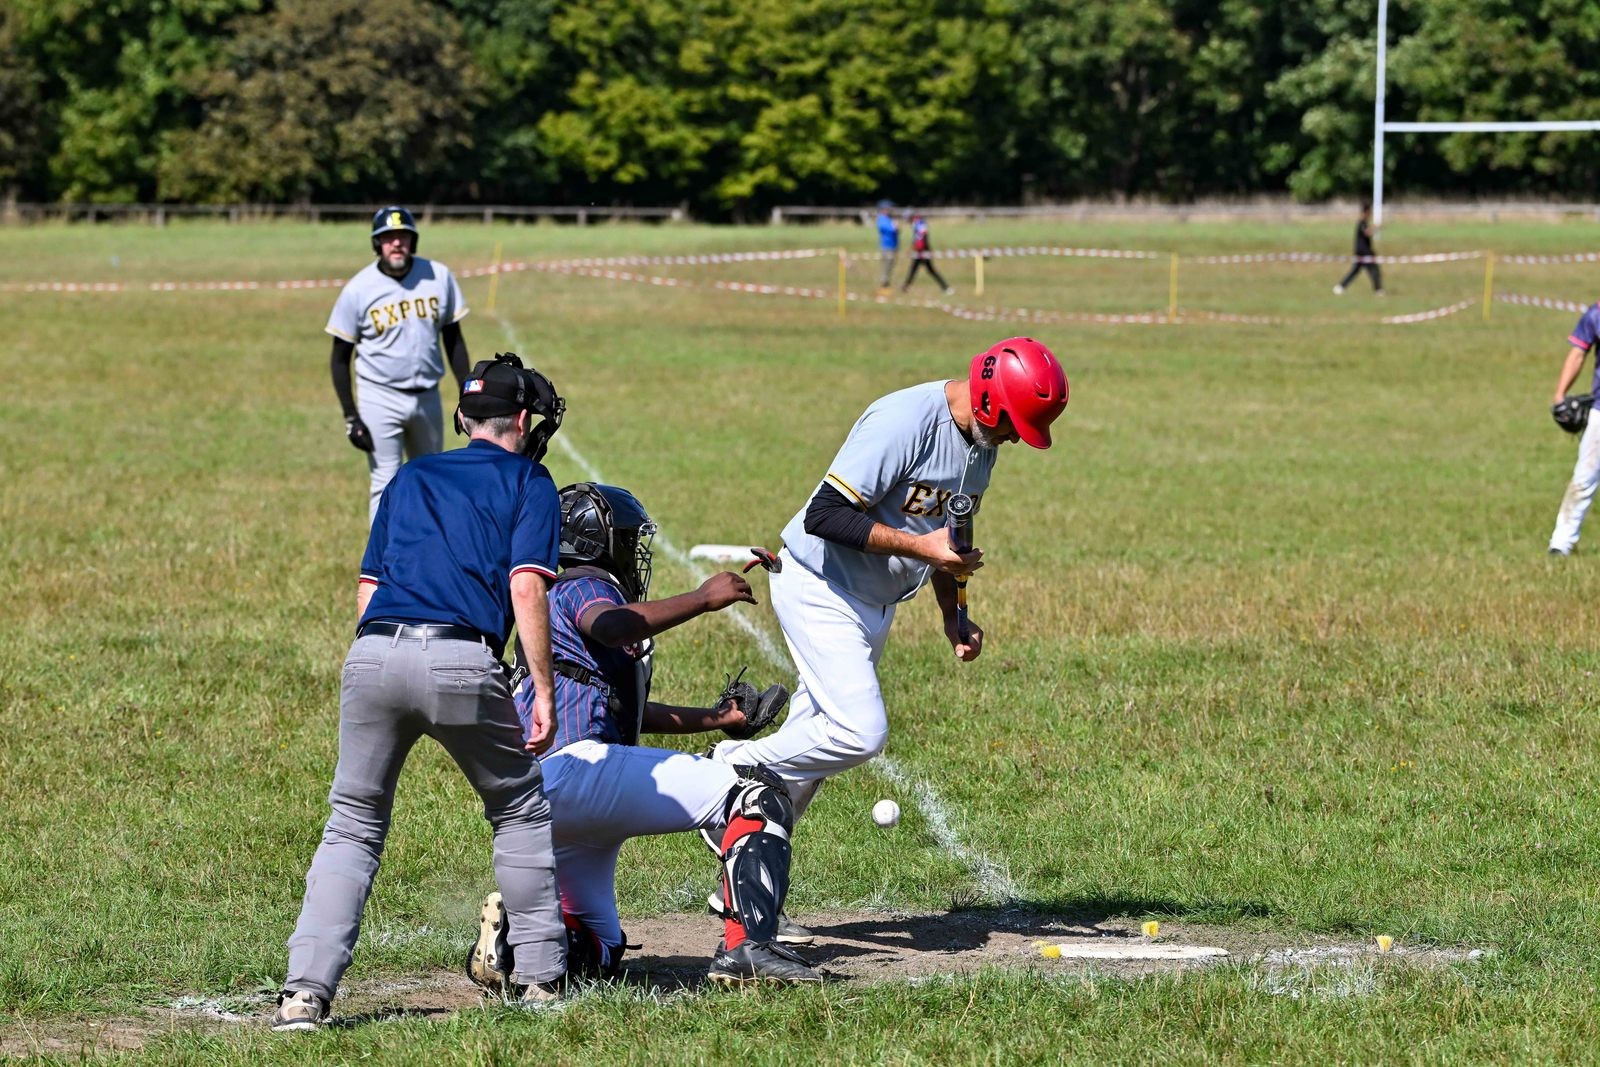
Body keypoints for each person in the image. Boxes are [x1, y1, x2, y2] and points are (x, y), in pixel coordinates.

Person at [708, 338, 1069, 908]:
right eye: (1012, 427)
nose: (1011, 441)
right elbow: (825, 515)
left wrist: (955, 614)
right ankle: (728, 768)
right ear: (989, 403)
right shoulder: (904, 421)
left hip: (874, 603)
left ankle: (746, 900)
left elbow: (949, 538)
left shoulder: (980, 445)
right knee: (859, 731)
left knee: (805, 768)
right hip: (820, 585)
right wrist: (918, 546)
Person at [272, 353, 570, 1031]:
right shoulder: (531, 479)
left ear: (464, 417)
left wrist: (381, 666)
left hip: (373, 652)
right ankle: (545, 981)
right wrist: (543, 690)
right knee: (519, 808)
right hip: (461, 656)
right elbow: (526, 586)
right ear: (522, 420)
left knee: (352, 824)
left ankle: (303, 995)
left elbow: (369, 587)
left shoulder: (412, 473)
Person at [464, 483, 820, 988]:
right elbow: (611, 626)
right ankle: (750, 949)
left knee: (600, 950)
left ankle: (513, 944)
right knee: (757, 796)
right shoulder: (586, 583)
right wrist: (701, 599)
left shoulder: (550, 603)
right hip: (581, 771)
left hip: (547, 792)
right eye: (628, 542)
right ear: (596, 543)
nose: (634, 554)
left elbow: (621, 712)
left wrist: (717, 721)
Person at [326, 206, 472, 523]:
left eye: (402, 237)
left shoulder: (438, 276)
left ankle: (429, 560)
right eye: (388, 238)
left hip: (427, 395)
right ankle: (381, 568)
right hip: (380, 396)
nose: (396, 244)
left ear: (412, 241)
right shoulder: (358, 289)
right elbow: (340, 358)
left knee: (432, 480)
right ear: (377, 244)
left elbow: (454, 341)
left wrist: (468, 393)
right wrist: (352, 416)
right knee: (386, 483)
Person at [1547, 306, 1600, 556]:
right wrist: (1560, 395)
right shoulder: (1596, 315)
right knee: (1584, 477)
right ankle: (1561, 543)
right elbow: (1578, 353)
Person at [1333, 203, 1384, 295]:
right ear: (1366, 212)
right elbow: (1367, 232)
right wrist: (1376, 227)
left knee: (1355, 271)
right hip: (1364, 252)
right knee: (1374, 270)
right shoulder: (1361, 223)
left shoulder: (1363, 223)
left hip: (1363, 252)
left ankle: (1340, 287)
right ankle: (1378, 290)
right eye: (1370, 212)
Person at [901, 212, 954, 295]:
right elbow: (916, 238)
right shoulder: (916, 223)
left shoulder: (919, 223)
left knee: (930, 270)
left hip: (923, 250)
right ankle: (906, 286)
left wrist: (927, 250)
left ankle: (946, 288)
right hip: (920, 250)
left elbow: (923, 237)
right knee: (914, 268)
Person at [875, 200, 899, 290]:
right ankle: (884, 282)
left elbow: (896, 230)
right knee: (887, 264)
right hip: (887, 245)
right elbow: (890, 229)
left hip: (893, 244)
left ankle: (887, 281)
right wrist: (895, 226)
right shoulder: (881, 219)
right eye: (889, 208)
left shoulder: (889, 219)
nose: (891, 210)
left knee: (891, 263)